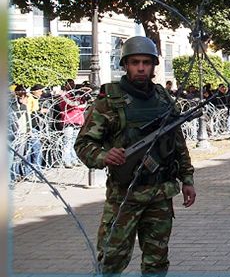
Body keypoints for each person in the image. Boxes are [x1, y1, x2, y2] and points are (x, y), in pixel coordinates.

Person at [74, 36, 196, 276]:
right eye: (134, 62)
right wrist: (105, 156)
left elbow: (177, 143)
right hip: (124, 196)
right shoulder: (109, 102)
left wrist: (188, 179)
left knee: (157, 261)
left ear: (153, 66)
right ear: (125, 65)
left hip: (160, 194)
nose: (141, 68)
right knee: (111, 261)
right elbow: (84, 144)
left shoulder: (163, 98)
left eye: (146, 62)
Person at [58, 79, 88, 168]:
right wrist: (78, 102)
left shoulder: (75, 95)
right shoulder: (63, 95)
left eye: (73, 84)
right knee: (68, 141)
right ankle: (66, 160)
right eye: (70, 84)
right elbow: (70, 104)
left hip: (78, 120)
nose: (72, 85)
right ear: (66, 85)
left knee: (74, 141)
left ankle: (74, 159)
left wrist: (80, 101)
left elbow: (83, 106)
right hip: (69, 120)